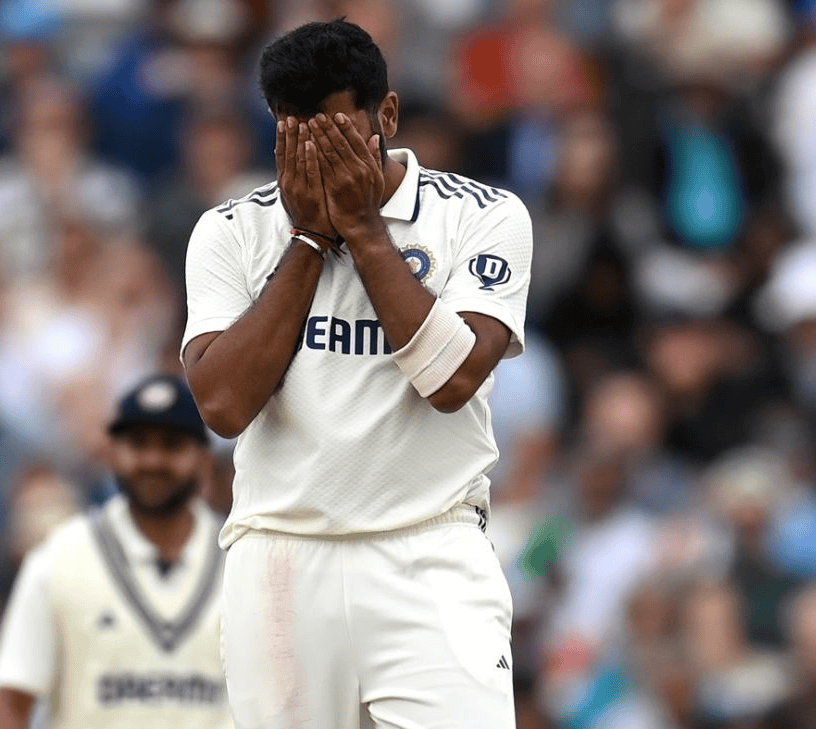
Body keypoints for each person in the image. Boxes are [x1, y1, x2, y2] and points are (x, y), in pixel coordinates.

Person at [181, 19, 533, 729]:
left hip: (430, 550)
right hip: (281, 559)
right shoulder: (231, 229)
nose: (318, 161)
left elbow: (453, 380)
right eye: (297, 137)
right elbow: (221, 404)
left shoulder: (483, 217)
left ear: (389, 116)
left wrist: (365, 231)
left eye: (339, 135)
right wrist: (310, 238)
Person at [0, 375, 230, 729]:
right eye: (138, 443)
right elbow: (10, 702)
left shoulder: (241, 557)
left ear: (205, 460)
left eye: (172, 444)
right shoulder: (58, 559)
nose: (153, 460)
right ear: (112, 453)